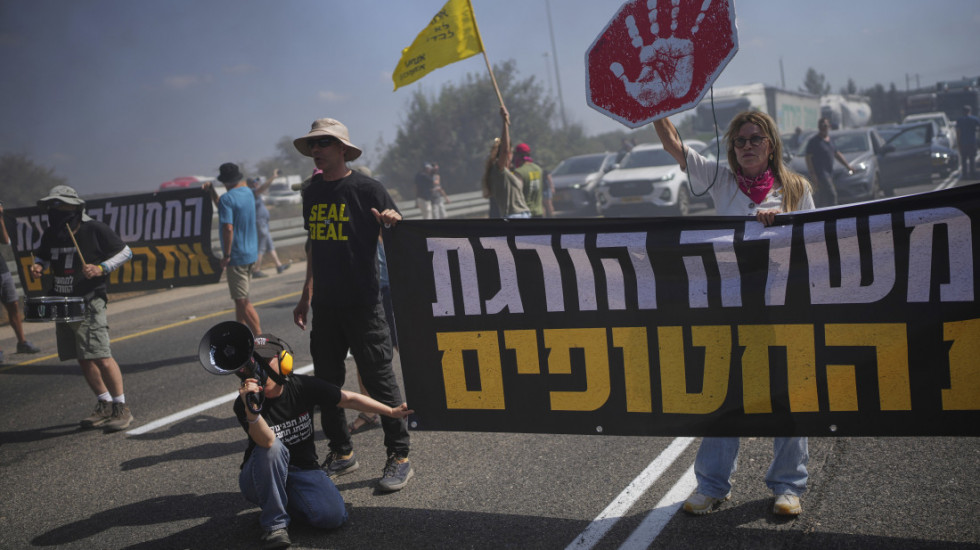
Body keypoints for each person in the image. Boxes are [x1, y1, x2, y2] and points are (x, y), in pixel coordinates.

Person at [654, 110, 814, 517]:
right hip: (730, 308)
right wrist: (656, 104)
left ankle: (787, 487)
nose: (745, 147)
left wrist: (780, 226)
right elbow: (673, 143)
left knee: (787, 397)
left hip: (782, 310)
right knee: (725, 398)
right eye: (739, 141)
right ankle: (711, 485)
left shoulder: (796, 188)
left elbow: (815, 245)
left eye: (754, 139)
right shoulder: (719, 179)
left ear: (770, 144)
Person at [291, 117, 413, 492]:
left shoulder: (367, 189)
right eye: (313, 144)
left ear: (343, 148)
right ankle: (342, 452)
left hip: (364, 304)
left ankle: (400, 456)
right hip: (326, 307)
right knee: (327, 386)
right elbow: (315, 245)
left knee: (380, 383)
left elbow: (396, 226)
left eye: (324, 143)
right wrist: (306, 292)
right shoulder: (310, 192)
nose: (317, 149)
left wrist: (393, 219)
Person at [235, 332, 413, 548]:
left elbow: (349, 399)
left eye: (266, 360)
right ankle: (275, 526)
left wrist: (391, 411)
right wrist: (252, 409)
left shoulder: (301, 386)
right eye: (255, 362)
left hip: (301, 470)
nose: (260, 367)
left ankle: (279, 500)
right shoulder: (245, 403)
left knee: (333, 517)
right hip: (258, 475)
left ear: (284, 361)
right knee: (273, 448)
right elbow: (266, 443)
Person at [29, 185, 135, 432]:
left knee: (100, 354)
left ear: (75, 207)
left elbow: (125, 252)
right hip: (62, 300)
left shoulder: (94, 229)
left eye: (59, 206)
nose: (54, 211)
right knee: (81, 356)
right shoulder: (52, 233)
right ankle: (104, 402)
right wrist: (38, 265)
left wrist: (101, 268)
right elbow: (43, 255)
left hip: (89, 299)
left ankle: (121, 407)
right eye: (51, 207)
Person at [206, 163, 262, 336]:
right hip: (252, 254)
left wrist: (227, 255)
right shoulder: (248, 193)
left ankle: (261, 340)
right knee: (241, 300)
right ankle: (241, 335)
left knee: (243, 301)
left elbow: (228, 228)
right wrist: (212, 192)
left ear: (224, 181)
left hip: (236, 256)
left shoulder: (227, 199)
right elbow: (223, 204)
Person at [0, 201, 41, 363]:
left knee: (14, 306)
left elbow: (6, 241)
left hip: (2, 270)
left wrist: (1, 218)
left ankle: (22, 342)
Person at [484, 106, 531, 219]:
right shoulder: (498, 170)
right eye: (510, 152)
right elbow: (505, 149)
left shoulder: (509, 173)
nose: (512, 154)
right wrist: (505, 122)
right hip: (514, 216)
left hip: (524, 214)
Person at [248, 171, 291, 278]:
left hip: (263, 223)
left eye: (257, 181)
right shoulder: (253, 192)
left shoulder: (256, 192)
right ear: (250, 184)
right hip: (260, 223)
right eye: (254, 182)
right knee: (261, 247)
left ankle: (278, 265)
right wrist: (273, 177)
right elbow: (263, 187)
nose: (256, 183)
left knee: (270, 245)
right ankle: (256, 270)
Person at [805, 117, 853, 207]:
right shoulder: (814, 141)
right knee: (832, 195)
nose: (823, 127)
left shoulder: (830, 140)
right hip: (821, 174)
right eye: (821, 125)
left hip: (830, 173)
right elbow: (808, 158)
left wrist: (847, 166)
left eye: (825, 125)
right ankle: (834, 213)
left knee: (823, 198)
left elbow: (837, 154)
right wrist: (813, 174)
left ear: (829, 127)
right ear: (819, 127)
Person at [512, 142, 545, 217]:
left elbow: (516, 194)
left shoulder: (519, 172)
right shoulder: (538, 169)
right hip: (539, 212)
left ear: (518, 155)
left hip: (526, 213)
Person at [956, 105, 980, 179]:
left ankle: (965, 174)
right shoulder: (974, 119)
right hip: (972, 142)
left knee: (964, 159)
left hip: (963, 142)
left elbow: (958, 132)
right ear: (970, 111)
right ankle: (972, 173)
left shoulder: (960, 120)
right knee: (972, 158)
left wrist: (958, 143)